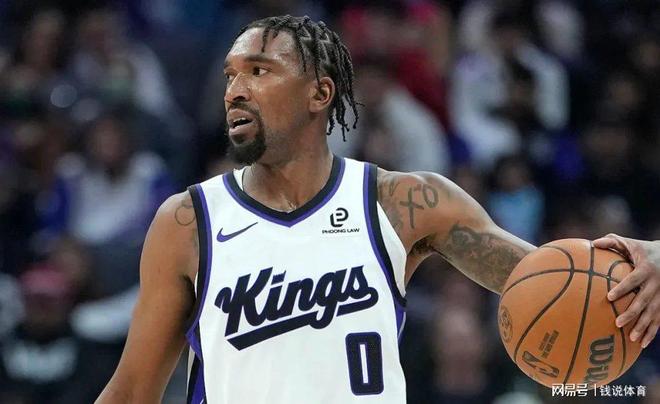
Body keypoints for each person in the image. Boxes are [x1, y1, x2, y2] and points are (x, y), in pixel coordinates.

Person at [96, 15, 660, 404]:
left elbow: (560, 286)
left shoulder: (403, 204)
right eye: (231, 75)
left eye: (259, 71)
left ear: (320, 94)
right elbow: (132, 391)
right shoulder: (188, 221)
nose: (235, 90)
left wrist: (654, 259)